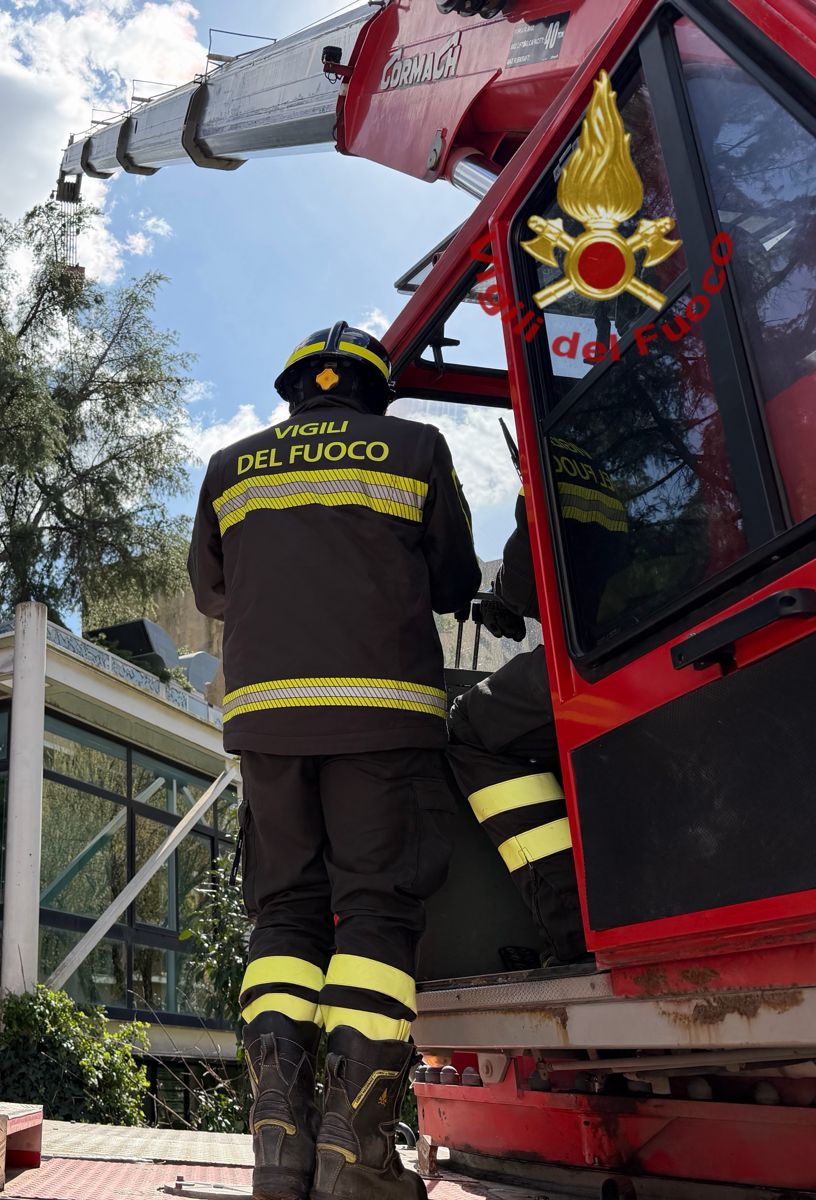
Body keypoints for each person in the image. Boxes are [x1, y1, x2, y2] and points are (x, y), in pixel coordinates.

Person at [189, 323, 480, 1200]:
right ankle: (355, 1157)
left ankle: (278, 1153)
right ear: (373, 389)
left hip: (269, 728)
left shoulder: (230, 467)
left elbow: (212, 590)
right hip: (382, 720)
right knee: (377, 919)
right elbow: (455, 579)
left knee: (283, 919)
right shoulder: (416, 447)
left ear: (295, 391)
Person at [448, 437, 628, 965]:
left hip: (589, 657)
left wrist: (504, 600)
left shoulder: (544, 463)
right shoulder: (603, 472)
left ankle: (571, 926)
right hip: (635, 640)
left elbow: (528, 576)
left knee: (470, 726)